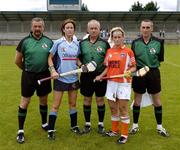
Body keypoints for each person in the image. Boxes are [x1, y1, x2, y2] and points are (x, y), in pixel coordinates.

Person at [15, 17, 53, 143]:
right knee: (25, 102)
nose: (37, 29)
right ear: (31, 27)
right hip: (28, 76)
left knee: (43, 100)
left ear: (43, 27)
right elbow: (17, 60)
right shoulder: (24, 41)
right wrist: (26, 70)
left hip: (44, 75)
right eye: (35, 26)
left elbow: (53, 59)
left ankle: (44, 123)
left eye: (39, 26)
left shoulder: (49, 42)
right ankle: (20, 130)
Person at [95, 27, 136, 144]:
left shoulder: (128, 51)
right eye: (115, 37)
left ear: (123, 37)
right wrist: (100, 76)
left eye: (119, 37)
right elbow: (108, 67)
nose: (117, 39)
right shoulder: (109, 51)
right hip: (111, 83)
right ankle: (114, 130)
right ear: (112, 38)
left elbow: (134, 67)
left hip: (123, 83)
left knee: (123, 108)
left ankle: (124, 134)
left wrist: (130, 71)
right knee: (113, 108)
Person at [129, 19, 169, 137]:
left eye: (148, 27)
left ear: (152, 28)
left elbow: (160, 59)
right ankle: (135, 125)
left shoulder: (159, 42)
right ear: (140, 28)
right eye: (143, 27)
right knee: (137, 100)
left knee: (156, 101)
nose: (145, 30)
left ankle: (160, 127)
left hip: (153, 73)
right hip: (139, 73)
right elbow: (133, 60)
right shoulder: (135, 43)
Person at [47, 19, 82, 140]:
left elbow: (76, 59)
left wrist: (81, 66)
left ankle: (74, 126)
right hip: (60, 78)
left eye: (71, 27)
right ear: (63, 29)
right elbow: (50, 57)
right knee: (56, 105)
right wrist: (53, 70)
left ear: (74, 29)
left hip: (73, 79)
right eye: (67, 27)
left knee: (72, 104)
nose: (69, 29)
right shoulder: (58, 43)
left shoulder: (77, 43)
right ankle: (50, 129)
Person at [79, 19, 110, 134]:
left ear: (99, 30)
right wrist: (81, 65)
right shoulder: (82, 43)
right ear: (87, 29)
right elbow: (78, 58)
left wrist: (102, 75)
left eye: (95, 28)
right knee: (87, 99)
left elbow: (108, 61)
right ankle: (87, 124)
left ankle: (100, 124)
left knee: (100, 99)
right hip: (86, 76)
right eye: (91, 28)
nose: (93, 30)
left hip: (100, 76)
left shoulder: (105, 44)